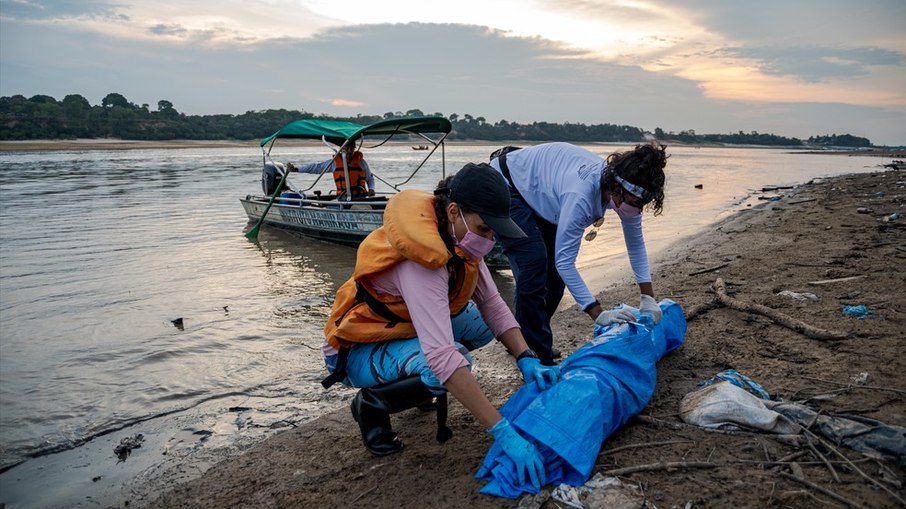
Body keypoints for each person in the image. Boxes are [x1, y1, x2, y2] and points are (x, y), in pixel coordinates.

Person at [321, 163, 560, 489]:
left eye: (494, 231)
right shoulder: (423, 262)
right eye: (484, 228)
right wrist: (504, 432)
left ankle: (416, 386)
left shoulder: (461, 241)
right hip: (356, 351)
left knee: (481, 327)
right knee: (448, 363)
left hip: (399, 328)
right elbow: (444, 358)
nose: (490, 239)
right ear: (453, 211)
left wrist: (526, 356)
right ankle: (372, 405)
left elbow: (492, 305)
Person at [488, 142, 668, 366]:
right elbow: (566, 262)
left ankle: (526, 340)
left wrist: (648, 297)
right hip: (508, 184)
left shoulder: (629, 191)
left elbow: (636, 244)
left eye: (642, 205)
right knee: (534, 264)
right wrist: (599, 314)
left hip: (545, 195)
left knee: (554, 279)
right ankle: (537, 356)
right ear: (616, 189)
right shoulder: (581, 195)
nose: (637, 210)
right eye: (634, 204)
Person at [286, 140, 375, 198]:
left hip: (361, 197)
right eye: (347, 148)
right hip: (342, 198)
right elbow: (317, 168)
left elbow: (370, 178)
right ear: (341, 149)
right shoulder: (334, 163)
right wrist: (297, 169)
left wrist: (371, 189)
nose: (349, 151)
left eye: (352, 148)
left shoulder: (361, 162)